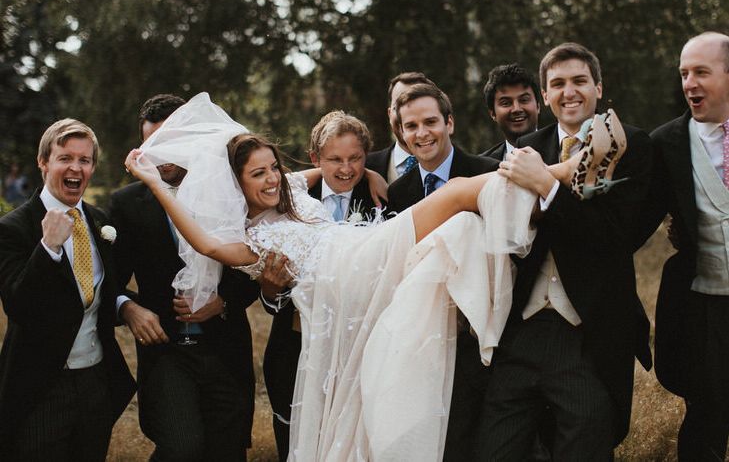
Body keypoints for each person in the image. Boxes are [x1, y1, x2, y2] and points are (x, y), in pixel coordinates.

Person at [124, 92, 623, 461]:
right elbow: (204, 242)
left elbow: (325, 168)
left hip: (358, 258)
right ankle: (565, 172)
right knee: (455, 197)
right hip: (351, 267)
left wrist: (374, 173)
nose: (272, 178)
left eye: (273, 167)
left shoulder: (291, 190)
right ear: (237, 186)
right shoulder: (249, 237)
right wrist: (153, 180)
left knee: (461, 219)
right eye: (258, 175)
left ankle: (561, 182)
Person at [477, 42, 652, 460]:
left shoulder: (631, 146)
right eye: (557, 84)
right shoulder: (524, 148)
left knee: (587, 443)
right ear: (545, 95)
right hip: (522, 326)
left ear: (598, 87)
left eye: (579, 81)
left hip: (589, 328)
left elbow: (616, 236)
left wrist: (548, 187)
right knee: (493, 448)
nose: (569, 91)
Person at [110, 94, 261, 461]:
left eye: (168, 143)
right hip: (167, 354)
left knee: (226, 451)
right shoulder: (126, 204)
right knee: (181, 447)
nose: (159, 156)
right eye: (150, 146)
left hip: (225, 348)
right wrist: (129, 308)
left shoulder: (233, 192)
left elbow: (256, 265)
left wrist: (222, 301)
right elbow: (109, 279)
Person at [0, 119, 135, 461]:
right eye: (65, 158)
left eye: (84, 160)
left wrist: (128, 306)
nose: (75, 167)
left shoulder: (100, 221)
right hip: (43, 386)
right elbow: (18, 305)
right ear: (44, 162)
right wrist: (48, 249)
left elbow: (103, 291)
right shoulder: (13, 228)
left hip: (96, 381)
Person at [386, 82, 499, 460]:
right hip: (423, 340)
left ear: (449, 123)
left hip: (479, 335)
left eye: (430, 121)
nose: (422, 133)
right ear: (401, 134)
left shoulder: (488, 173)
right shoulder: (397, 193)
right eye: (411, 126)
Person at [262, 110, 379, 460]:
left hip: (360, 349)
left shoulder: (382, 197)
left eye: (356, 159)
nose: (346, 169)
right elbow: (270, 292)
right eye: (335, 159)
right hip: (295, 345)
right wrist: (270, 291)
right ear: (315, 159)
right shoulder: (285, 200)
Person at [638, 31, 729, 460]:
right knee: (707, 411)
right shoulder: (667, 144)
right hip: (704, 305)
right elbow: (636, 222)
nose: (689, 83)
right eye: (683, 74)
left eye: (700, 73)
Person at [366, 71, 436, 183]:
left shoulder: (468, 170)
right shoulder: (364, 168)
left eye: (418, 106)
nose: (406, 115)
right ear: (389, 114)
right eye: (399, 106)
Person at [481, 63, 541, 160]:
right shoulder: (481, 166)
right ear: (492, 113)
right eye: (506, 103)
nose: (516, 109)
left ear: (538, 106)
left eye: (524, 100)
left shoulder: (561, 151)